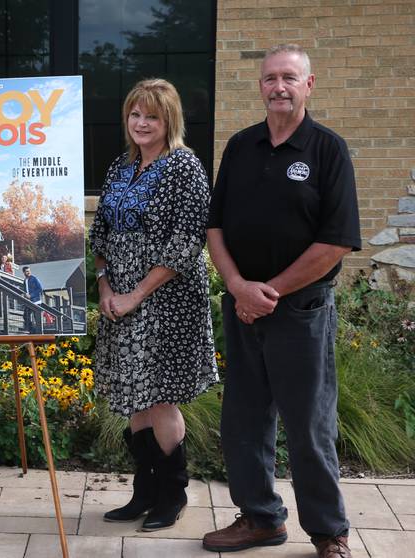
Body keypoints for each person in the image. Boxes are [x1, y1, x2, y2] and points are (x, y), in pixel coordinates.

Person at [203, 44, 360, 558]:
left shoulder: (327, 150)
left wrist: (269, 292)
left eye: (289, 78)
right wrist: (237, 286)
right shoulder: (241, 147)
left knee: (309, 423)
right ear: (261, 86)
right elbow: (216, 226)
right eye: (270, 78)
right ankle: (260, 519)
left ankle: (329, 532)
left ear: (308, 85)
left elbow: (336, 240)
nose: (279, 87)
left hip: (301, 311)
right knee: (243, 421)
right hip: (243, 305)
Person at [88, 79, 217, 532]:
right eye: (135, 115)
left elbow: (186, 243)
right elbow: (100, 232)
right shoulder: (120, 166)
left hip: (167, 302)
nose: (142, 123)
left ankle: (173, 493)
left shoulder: (185, 167)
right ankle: (144, 492)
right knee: (134, 398)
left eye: (152, 117)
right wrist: (105, 286)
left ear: (170, 121)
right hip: (119, 299)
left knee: (160, 397)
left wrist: (135, 294)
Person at [22, 266, 44, 333]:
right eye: (26, 271)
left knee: (37, 318)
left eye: (29, 271)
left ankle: (39, 332)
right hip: (29, 302)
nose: (28, 272)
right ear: (24, 272)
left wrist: (31, 295)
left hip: (36, 301)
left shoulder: (34, 278)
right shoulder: (25, 280)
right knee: (25, 315)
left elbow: (40, 289)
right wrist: (24, 294)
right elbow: (25, 290)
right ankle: (31, 329)